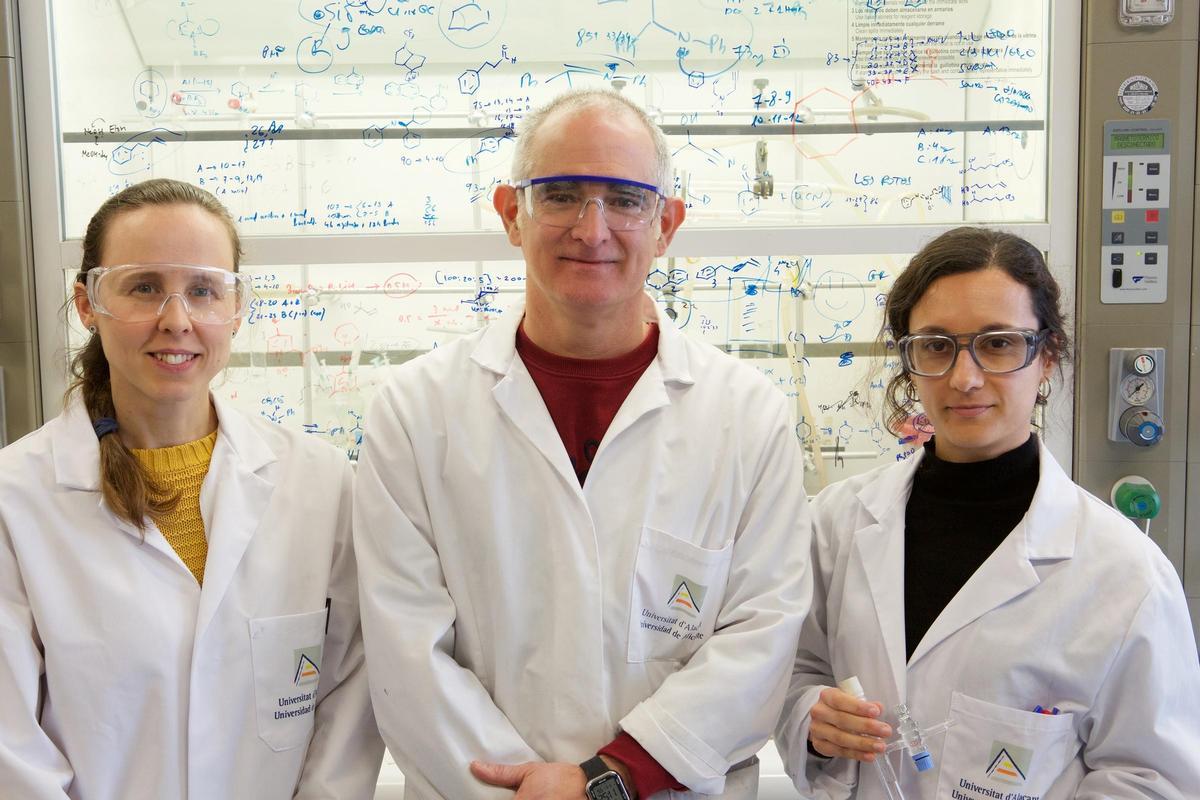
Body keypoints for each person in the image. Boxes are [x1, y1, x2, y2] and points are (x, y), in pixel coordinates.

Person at [355, 88, 811, 799]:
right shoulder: (414, 412)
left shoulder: (747, 417)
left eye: (626, 200)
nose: (592, 229)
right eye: (561, 195)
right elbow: (406, 653)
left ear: (667, 224)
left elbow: (763, 633)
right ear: (512, 214)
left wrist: (610, 780)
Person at [774, 227, 1200, 799]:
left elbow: (1154, 778)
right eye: (936, 344)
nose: (964, 377)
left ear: (1046, 358)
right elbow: (791, 668)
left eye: (998, 343)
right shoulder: (835, 524)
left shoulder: (1125, 574)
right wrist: (811, 719)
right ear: (909, 360)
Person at [0, 179, 383, 799]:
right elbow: (10, 750)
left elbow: (351, 692)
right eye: (144, 287)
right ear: (87, 304)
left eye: (203, 291)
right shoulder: (15, 499)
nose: (176, 320)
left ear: (235, 308)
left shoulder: (318, 483)